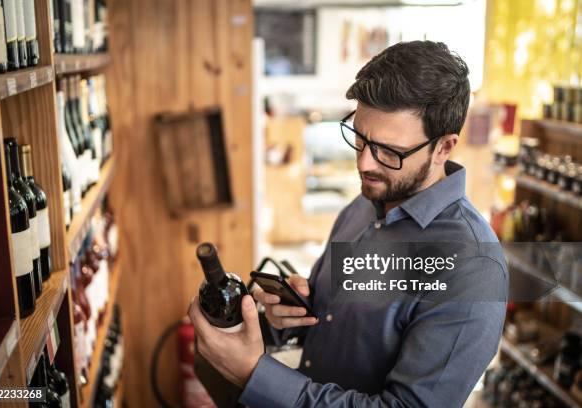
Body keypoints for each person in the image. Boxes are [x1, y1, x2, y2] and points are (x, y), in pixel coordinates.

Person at [188, 40, 508, 408]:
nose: (364, 164)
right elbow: (331, 320)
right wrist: (288, 319)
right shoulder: (363, 207)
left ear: (444, 147)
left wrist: (253, 376)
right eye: (359, 137)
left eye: (389, 151)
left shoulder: (473, 269)